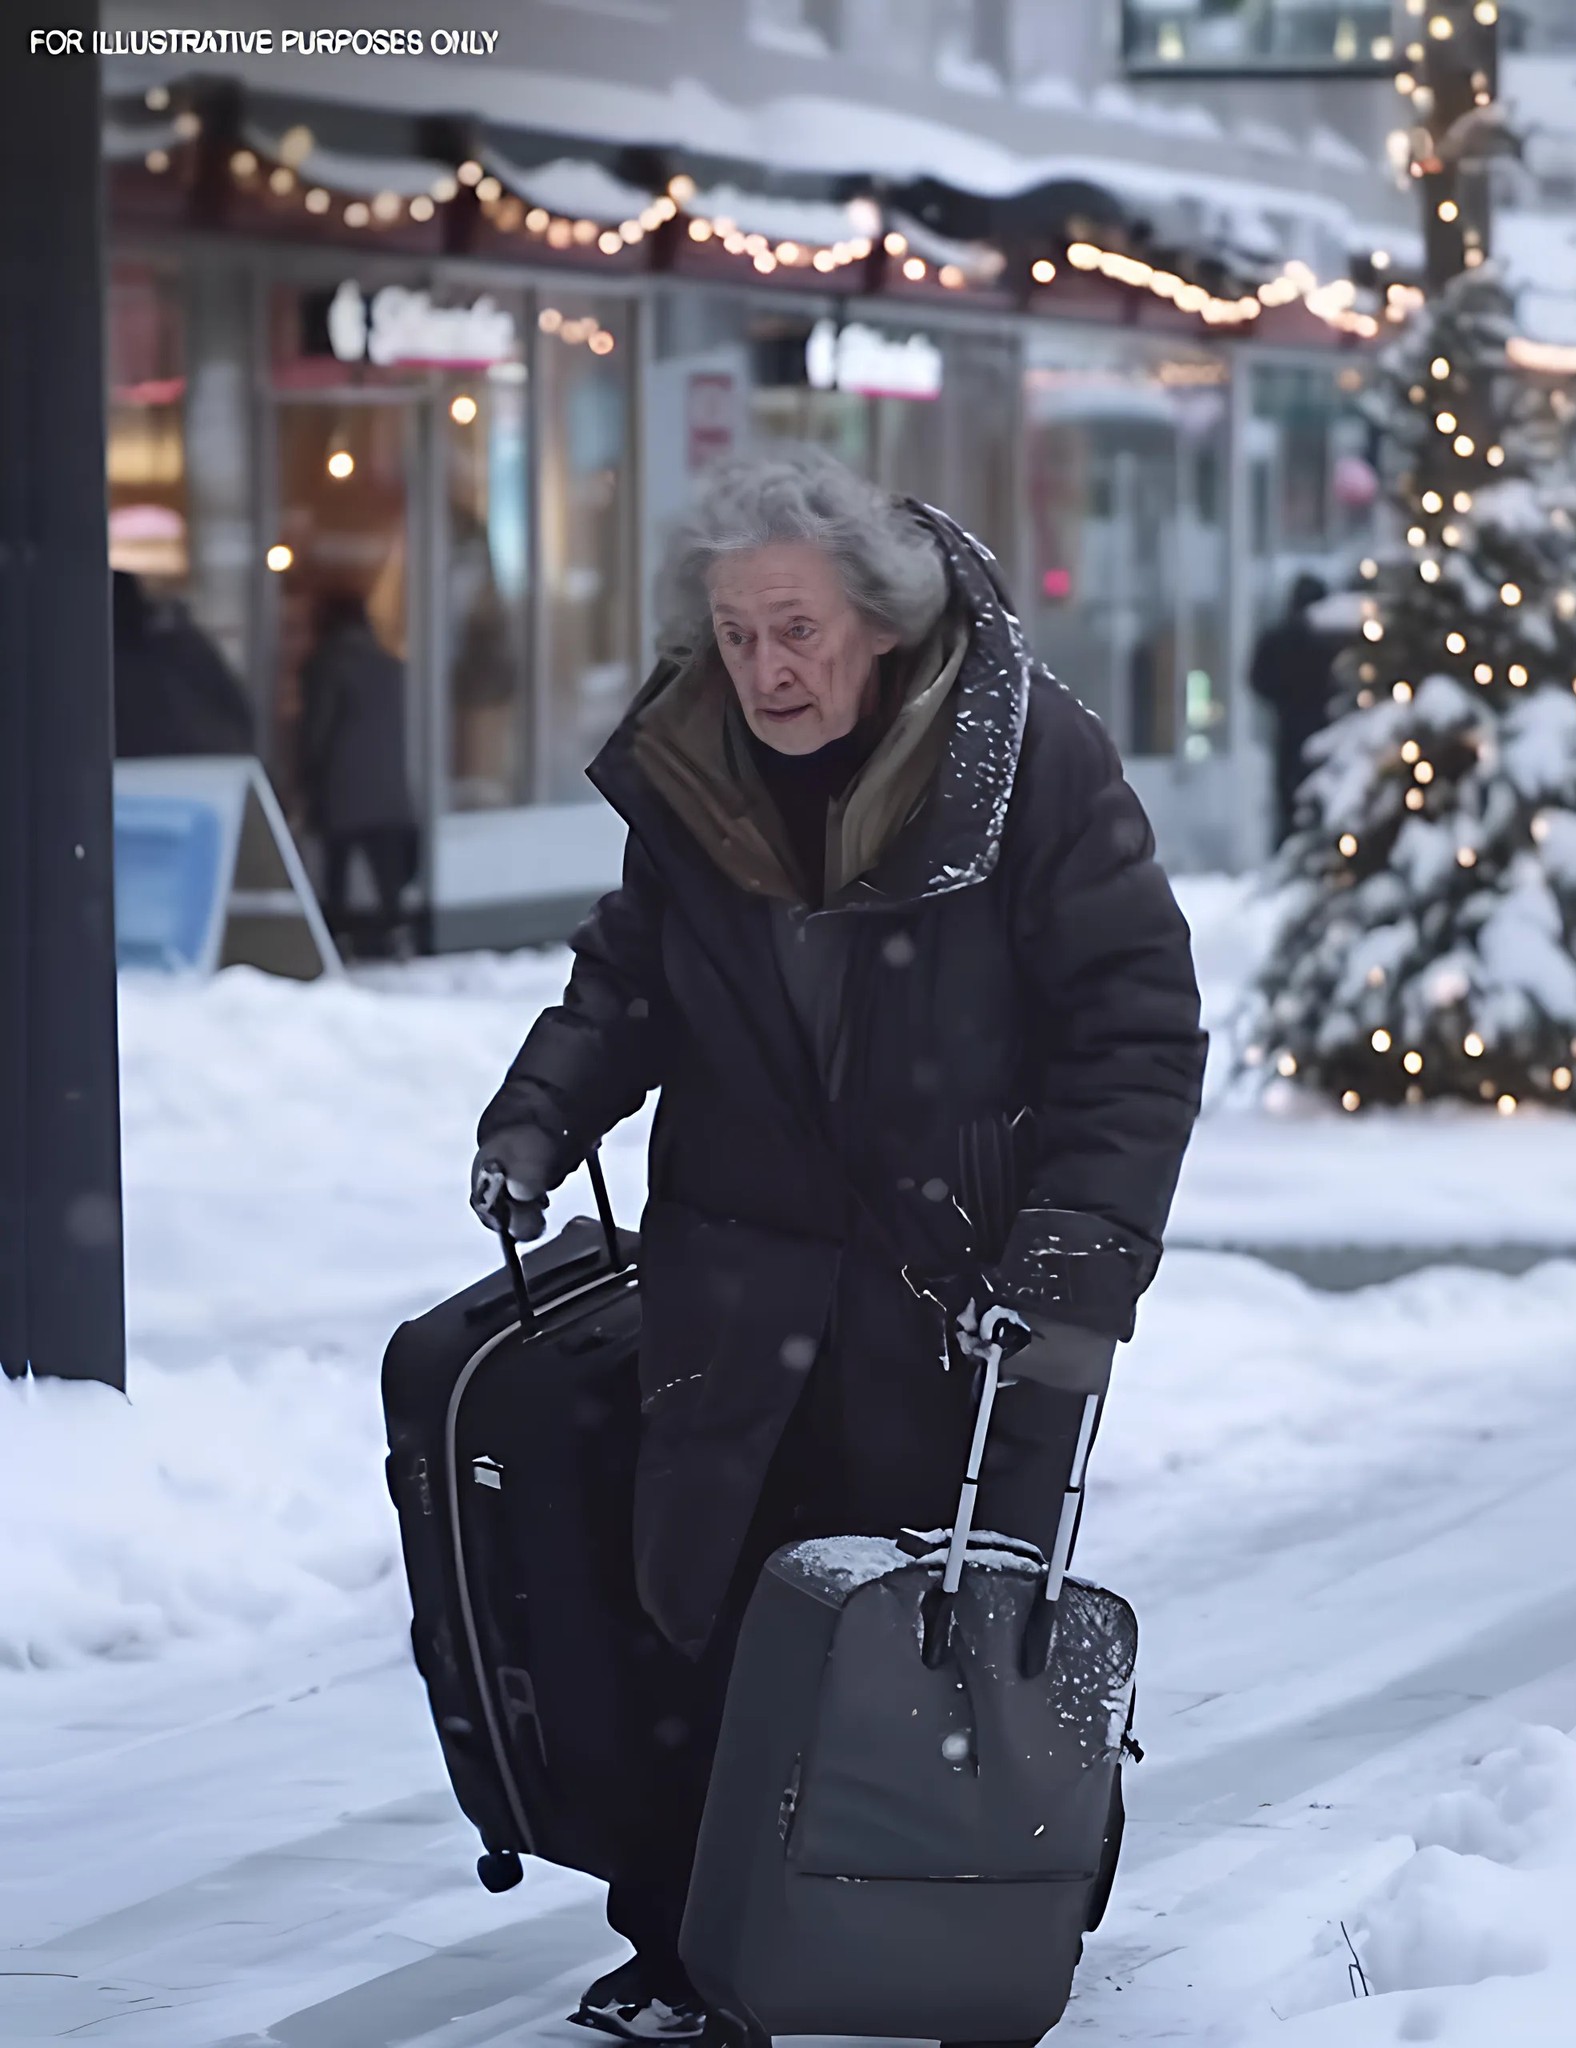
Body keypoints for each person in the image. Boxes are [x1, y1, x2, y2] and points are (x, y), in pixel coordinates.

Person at [469, 447, 1207, 2046]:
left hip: (965, 1292)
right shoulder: (693, 771)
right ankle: (685, 1952)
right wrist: (541, 1112)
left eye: (794, 630)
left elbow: (1135, 1028)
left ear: (871, 621)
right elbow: (631, 981)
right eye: (736, 636)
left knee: (956, 1640)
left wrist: (1076, 1265)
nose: (766, 670)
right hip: (738, 1280)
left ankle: (970, 1935)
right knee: (707, 1621)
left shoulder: (1025, 759)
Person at [298, 587, 419, 956]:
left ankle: (334, 936)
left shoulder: (326, 665)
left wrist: (306, 776)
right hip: (388, 786)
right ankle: (392, 933)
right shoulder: (391, 665)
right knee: (386, 874)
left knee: (336, 867)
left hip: (342, 784)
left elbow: (318, 729)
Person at [112, 569, 255, 758]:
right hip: (216, 762)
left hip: (172, 764)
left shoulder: (107, 665)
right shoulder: (185, 641)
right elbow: (239, 710)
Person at [1248, 571, 1339, 846]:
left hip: (1290, 728)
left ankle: (1290, 856)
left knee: (1289, 802)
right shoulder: (1332, 641)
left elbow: (1257, 680)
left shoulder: (1279, 639)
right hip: (1327, 729)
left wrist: (1283, 697)